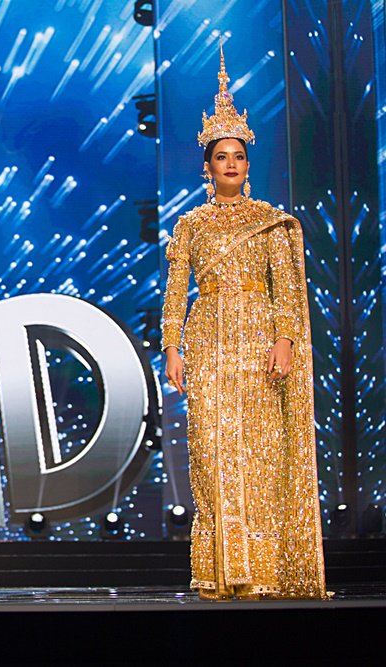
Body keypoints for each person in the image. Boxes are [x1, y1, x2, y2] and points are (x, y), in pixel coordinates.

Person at [161, 44, 327, 599]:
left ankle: (262, 572)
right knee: (211, 450)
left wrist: (285, 340)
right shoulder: (191, 224)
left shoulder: (270, 222)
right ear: (208, 167)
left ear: (247, 165)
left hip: (258, 341)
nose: (230, 163)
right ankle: (218, 570)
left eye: (238, 156)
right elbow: (176, 290)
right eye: (221, 156)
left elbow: (287, 290)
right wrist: (172, 347)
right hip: (208, 339)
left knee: (258, 454)